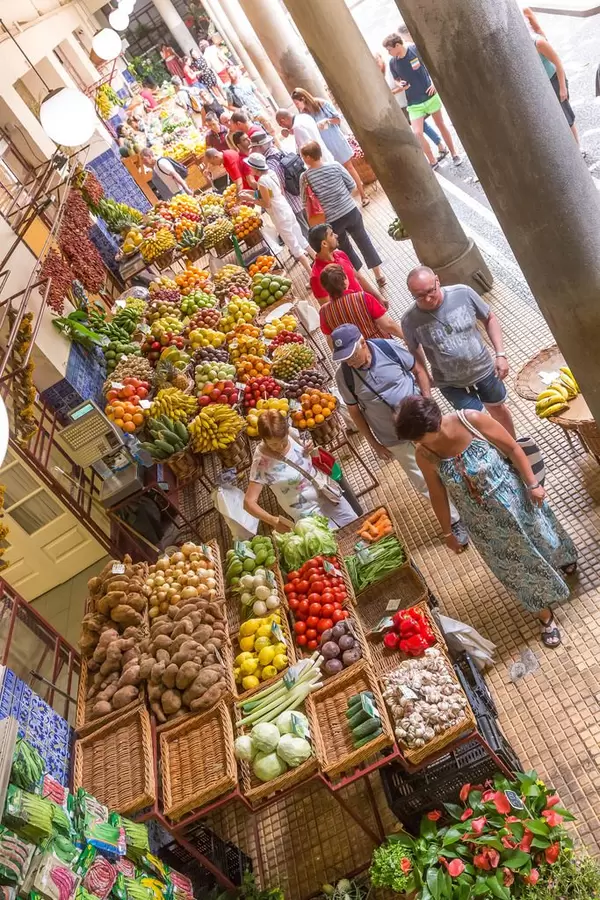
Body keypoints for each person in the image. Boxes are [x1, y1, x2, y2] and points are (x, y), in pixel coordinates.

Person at [394, 395, 577, 647]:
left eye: (417, 437)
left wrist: (533, 484)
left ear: (432, 427)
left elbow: (512, 447)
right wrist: (448, 533)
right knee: (515, 569)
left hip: (515, 498)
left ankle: (562, 558)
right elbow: (437, 494)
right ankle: (544, 615)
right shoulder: (424, 454)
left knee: (543, 536)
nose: (415, 443)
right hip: (484, 525)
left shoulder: (471, 419)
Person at [332, 324, 467, 544]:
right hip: (393, 437)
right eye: (344, 358)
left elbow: (419, 371)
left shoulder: (389, 348)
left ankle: (471, 500)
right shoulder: (344, 376)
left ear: (363, 343)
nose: (349, 361)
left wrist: (427, 401)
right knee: (422, 479)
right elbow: (355, 412)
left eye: (351, 355)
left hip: (424, 426)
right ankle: (454, 520)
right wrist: (373, 443)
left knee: (451, 461)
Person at [401, 266, 516, 438]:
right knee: (476, 421)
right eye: (419, 296)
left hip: (484, 370)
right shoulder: (409, 320)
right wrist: (427, 392)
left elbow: (489, 318)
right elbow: (415, 352)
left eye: (430, 291)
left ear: (437, 281)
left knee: (498, 410)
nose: (427, 298)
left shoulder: (463, 293)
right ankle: (500, 454)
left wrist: (500, 354)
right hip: (450, 383)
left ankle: (514, 446)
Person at [244, 410, 358, 530]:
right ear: (264, 440)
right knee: (332, 543)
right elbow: (248, 503)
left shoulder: (291, 433)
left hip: (326, 492)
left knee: (355, 524)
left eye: (283, 440)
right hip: (306, 512)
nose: (280, 446)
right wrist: (274, 521)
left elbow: (304, 451)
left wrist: (308, 448)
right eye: (273, 444)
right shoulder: (261, 462)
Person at [300, 141, 385, 287]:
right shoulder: (335, 166)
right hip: (351, 211)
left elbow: (304, 201)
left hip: (332, 221)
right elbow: (352, 186)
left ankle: (361, 279)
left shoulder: (305, 177)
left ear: (308, 158)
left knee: (345, 249)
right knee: (364, 240)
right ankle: (379, 275)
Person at [383, 32, 460, 168]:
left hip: (429, 96)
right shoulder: (392, 62)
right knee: (417, 133)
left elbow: (432, 64)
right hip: (413, 103)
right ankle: (432, 161)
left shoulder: (414, 50)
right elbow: (396, 79)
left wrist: (435, 84)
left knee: (441, 125)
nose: (388, 53)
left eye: (389, 50)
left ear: (398, 45)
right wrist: (399, 84)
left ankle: (454, 153)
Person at [291, 88, 368, 206]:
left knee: (349, 167)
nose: (297, 106)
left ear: (303, 99)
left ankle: (363, 195)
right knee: (334, 172)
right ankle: (347, 201)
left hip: (335, 140)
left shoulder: (322, 104)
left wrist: (327, 121)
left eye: (297, 103)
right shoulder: (304, 115)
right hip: (323, 145)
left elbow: (338, 120)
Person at [241, 153, 313, 276]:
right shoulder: (271, 174)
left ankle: (312, 275)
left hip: (279, 215)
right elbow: (274, 192)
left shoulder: (262, 182)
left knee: (294, 246)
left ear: (255, 168)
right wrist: (251, 193)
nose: (249, 169)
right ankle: (318, 260)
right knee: (300, 238)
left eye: (250, 167)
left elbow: (267, 203)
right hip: (286, 208)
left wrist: (249, 199)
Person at [318, 264, 404, 344]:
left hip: (356, 356)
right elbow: (388, 324)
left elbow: (331, 340)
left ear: (325, 288)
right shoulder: (363, 297)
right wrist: (406, 337)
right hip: (381, 346)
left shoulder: (324, 312)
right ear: (345, 280)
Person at [308, 223, 385, 305]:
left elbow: (359, 278)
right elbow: (328, 307)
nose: (336, 235)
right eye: (331, 235)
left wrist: (378, 297)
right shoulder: (316, 277)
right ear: (324, 244)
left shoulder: (341, 254)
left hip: (366, 305)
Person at [250, 130, 308, 236]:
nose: (253, 150)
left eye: (254, 147)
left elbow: (274, 191)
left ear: (261, 147)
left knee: (304, 234)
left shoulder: (269, 164)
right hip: (302, 196)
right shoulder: (281, 151)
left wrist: (253, 196)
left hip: (292, 204)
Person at [531, 32, 580, 146]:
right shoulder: (522, 47)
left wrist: (563, 88)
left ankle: (578, 149)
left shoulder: (539, 42)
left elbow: (558, 62)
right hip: (543, 85)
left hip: (555, 80)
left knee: (567, 116)